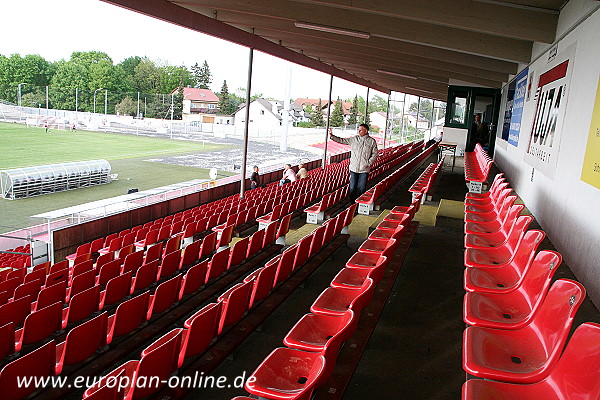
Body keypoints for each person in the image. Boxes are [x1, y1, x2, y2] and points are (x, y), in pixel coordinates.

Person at [329, 124, 378, 202]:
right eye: (358, 130)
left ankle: (360, 203)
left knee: (361, 187)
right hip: (353, 168)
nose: (358, 131)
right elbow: (342, 140)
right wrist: (332, 136)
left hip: (364, 169)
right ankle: (352, 204)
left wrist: (368, 163)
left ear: (366, 131)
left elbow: (375, 154)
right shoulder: (354, 139)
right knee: (352, 187)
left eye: (360, 130)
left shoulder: (371, 141)